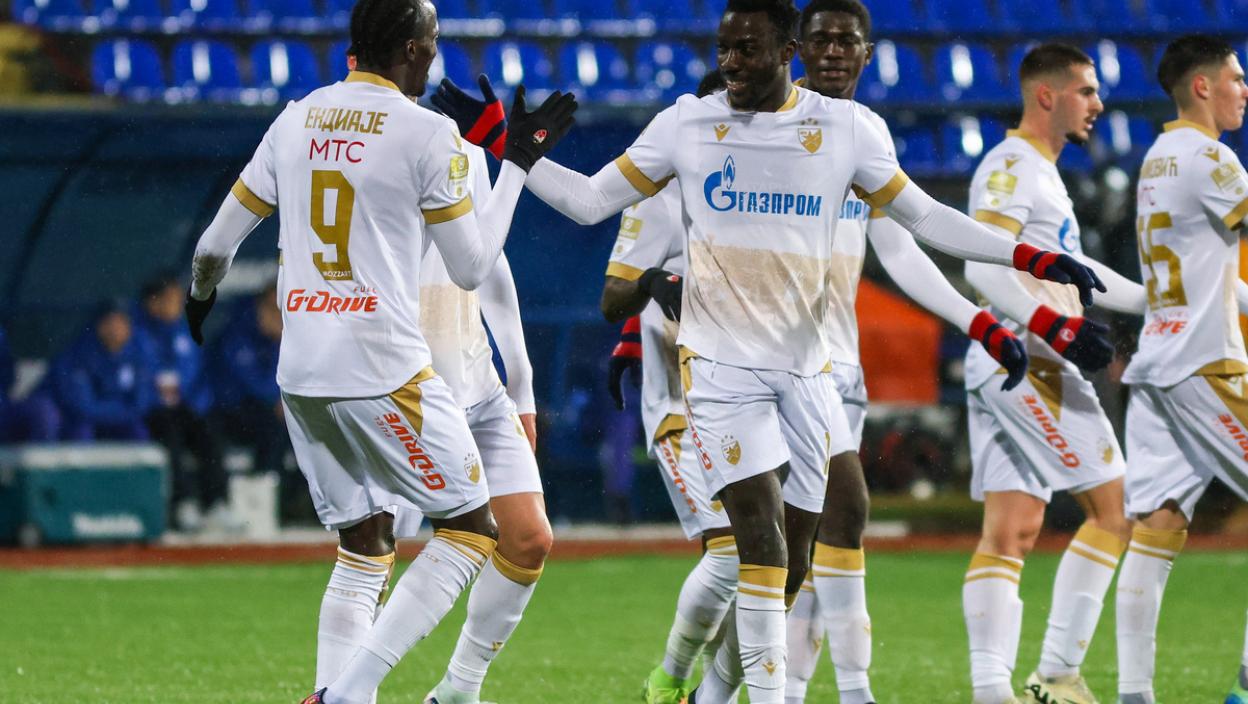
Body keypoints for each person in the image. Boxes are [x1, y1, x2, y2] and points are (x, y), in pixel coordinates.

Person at [438, 0, 1101, 698]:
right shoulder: (687, 123)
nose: (731, 63)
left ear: (787, 51)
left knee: (793, 560)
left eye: (747, 49)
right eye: (724, 49)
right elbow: (589, 201)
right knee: (756, 539)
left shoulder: (846, 129)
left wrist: (1031, 257)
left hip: (808, 373)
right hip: (719, 372)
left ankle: (714, 692)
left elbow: (925, 218)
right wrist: (509, 147)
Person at [178, 0, 576, 699]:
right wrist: (516, 162)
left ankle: (346, 691)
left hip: (302, 375)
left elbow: (214, 246)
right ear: (415, 49)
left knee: (364, 545)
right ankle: (345, 693)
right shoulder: (428, 133)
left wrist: (200, 296)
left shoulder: (295, 119)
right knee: (470, 530)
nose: (435, 53)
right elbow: (473, 268)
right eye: (433, 41)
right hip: (386, 370)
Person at [781, 3, 1027, 703]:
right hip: (774, 367)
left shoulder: (867, 132)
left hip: (841, 368)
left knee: (820, 532)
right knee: (818, 523)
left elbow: (899, 248)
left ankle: (791, 690)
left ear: (867, 53)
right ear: (797, 48)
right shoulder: (767, 126)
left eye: (847, 41)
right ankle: (836, 689)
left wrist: (976, 322)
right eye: (821, 39)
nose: (834, 51)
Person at [959, 42, 1153, 704]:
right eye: (1086, 91)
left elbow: (1083, 274)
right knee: (1114, 510)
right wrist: (1054, 326)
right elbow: (981, 265)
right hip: (1027, 358)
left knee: (1010, 531)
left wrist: (1156, 299)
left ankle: (992, 692)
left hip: (1007, 360)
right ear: (1048, 95)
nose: (1098, 104)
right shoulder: (1013, 166)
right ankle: (1058, 673)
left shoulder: (1039, 170)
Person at [1112, 35, 1248, 704]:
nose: (1244, 91)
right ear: (1203, 86)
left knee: (1157, 527)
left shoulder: (1158, 158)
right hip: (1204, 362)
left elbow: (1207, 274)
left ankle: (1134, 694)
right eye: (1236, 78)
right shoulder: (1211, 158)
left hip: (1159, 362)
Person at [135, 273, 229, 531]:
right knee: (170, 434)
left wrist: (188, 399)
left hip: (185, 406)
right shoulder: (136, 332)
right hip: (153, 410)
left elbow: (194, 373)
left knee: (208, 430)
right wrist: (161, 392)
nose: (178, 306)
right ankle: (184, 504)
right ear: (153, 302)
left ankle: (217, 503)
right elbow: (141, 374)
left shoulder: (185, 329)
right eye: (171, 300)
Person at [211, 283, 287, 476]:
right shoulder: (236, 333)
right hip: (228, 412)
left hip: (263, 411)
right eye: (273, 310)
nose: (279, 317)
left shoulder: (278, 338)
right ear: (259, 307)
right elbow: (254, 386)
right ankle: (262, 484)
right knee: (272, 426)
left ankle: (291, 491)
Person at [49, 300, 154, 442]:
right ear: (99, 325)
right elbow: (82, 406)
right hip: (82, 421)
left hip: (123, 420)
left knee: (138, 431)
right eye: (111, 322)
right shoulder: (79, 353)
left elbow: (141, 403)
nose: (116, 329)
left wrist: (121, 414)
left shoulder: (139, 353)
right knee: (82, 430)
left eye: (122, 323)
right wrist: (120, 411)